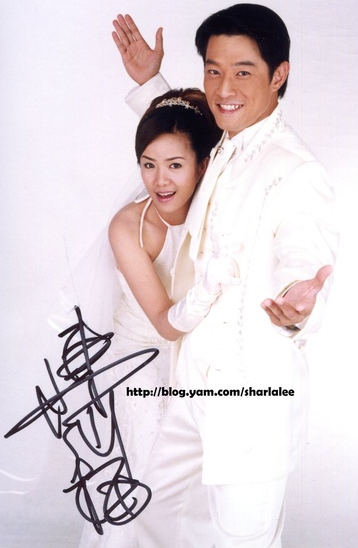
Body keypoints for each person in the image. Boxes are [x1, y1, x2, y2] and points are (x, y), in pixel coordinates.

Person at [112, 4, 339, 548]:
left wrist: (297, 300)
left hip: (250, 405)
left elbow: (303, 250)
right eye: (213, 70)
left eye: (243, 71)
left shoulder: (296, 169)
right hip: (193, 385)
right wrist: (150, 84)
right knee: (149, 519)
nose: (223, 87)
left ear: (279, 75)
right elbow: (179, 142)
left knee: (242, 539)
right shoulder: (223, 142)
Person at [76, 87, 239, 548]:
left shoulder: (215, 206)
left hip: (195, 362)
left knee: (197, 485)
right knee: (145, 475)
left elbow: (218, 143)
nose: (160, 180)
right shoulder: (128, 226)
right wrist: (211, 286)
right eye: (148, 165)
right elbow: (166, 323)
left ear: (202, 166)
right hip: (138, 363)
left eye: (175, 166)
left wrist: (152, 85)